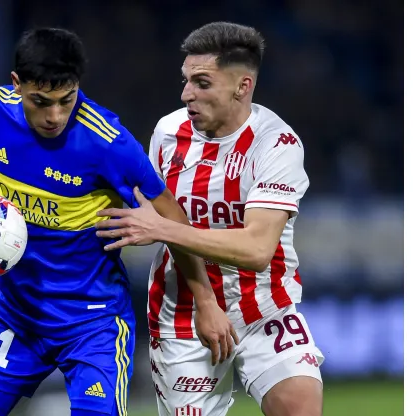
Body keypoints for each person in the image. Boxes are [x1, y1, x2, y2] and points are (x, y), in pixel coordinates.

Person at [0, 28, 235, 416]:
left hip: (92, 321)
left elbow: (173, 215)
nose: (55, 116)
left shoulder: (108, 142)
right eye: (41, 101)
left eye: (66, 100)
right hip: (17, 314)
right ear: (17, 85)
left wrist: (204, 300)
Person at [95, 22, 324, 416]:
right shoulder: (168, 133)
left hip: (264, 307)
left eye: (202, 83)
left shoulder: (276, 144)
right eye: (185, 81)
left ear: (243, 86)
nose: (187, 95)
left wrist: (161, 227)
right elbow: (159, 214)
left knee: (300, 406)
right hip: (181, 309)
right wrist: (204, 298)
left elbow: (255, 249)